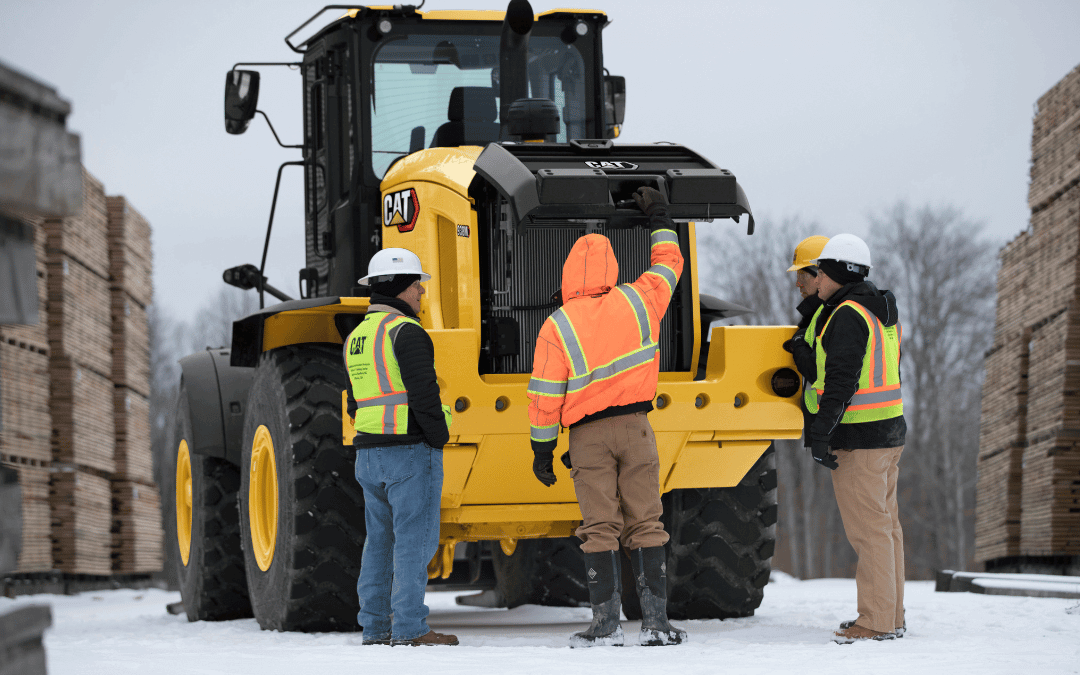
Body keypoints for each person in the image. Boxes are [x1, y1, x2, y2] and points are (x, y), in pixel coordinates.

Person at [526, 186, 687, 648]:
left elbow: (544, 396)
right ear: (613, 268)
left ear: (569, 273)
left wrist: (542, 449)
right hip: (638, 428)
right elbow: (668, 263)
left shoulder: (557, 324)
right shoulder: (640, 300)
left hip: (588, 436)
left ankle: (605, 625)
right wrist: (659, 214)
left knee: (600, 526)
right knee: (647, 522)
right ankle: (656, 623)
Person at [794, 233, 907, 644]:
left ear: (839, 273)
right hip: (888, 430)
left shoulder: (847, 314)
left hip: (859, 437)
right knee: (886, 527)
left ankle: (876, 621)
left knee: (869, 531)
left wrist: (821, 433)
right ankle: (891, 615)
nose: (815, 280)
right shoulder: (880, 308)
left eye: (820, 273)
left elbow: (841, 380)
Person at [345, 247, 457, 647]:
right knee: (415, 541)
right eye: (417, 286)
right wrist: (439, 438)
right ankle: (410, 629)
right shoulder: (406, 333)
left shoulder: (356, 338)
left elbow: (354, 402)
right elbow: (424, 394)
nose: (421, 294)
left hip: (369, 454)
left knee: (380, 542)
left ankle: (375, 628)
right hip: (410, 451)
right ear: (400, 289)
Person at [784, 235, 829, 448]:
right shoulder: (817, 315)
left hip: (842, 428)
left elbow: (818, 372)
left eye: (803, 275)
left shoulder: (830, 316)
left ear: (821, 275)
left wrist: (799, 344)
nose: (797, 284)